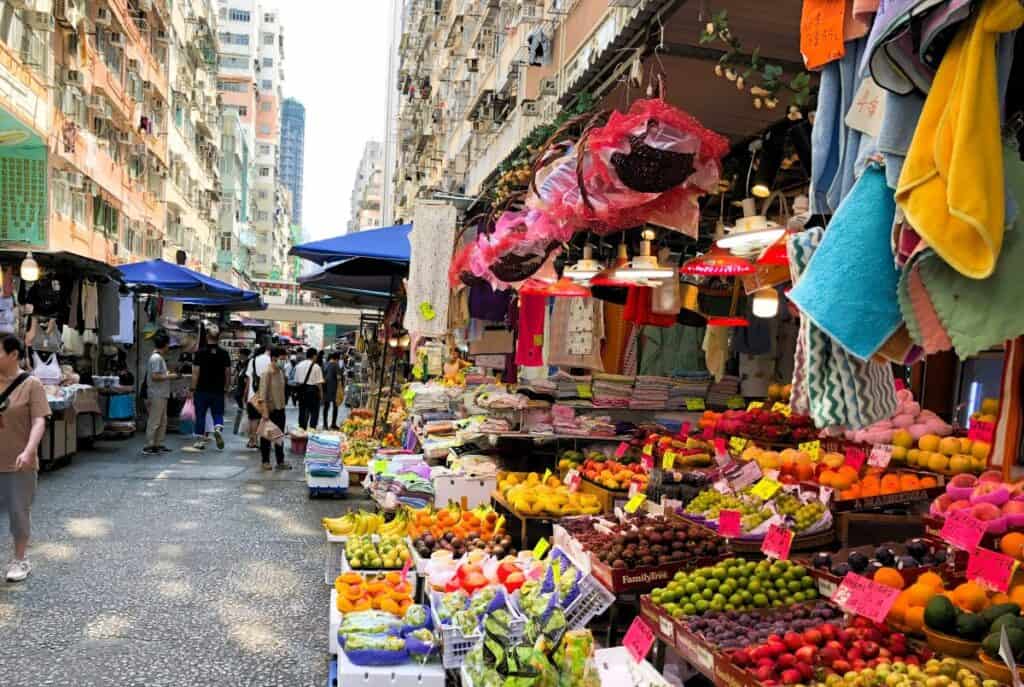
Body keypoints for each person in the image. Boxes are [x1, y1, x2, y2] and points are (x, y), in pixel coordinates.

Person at [0, 335, 50, 582]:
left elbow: (39, 420)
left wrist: (29, 450)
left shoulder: (31, 384)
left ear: (13, 355)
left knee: (19, 512)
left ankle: (20, 560)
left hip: (18, 462)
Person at [188, 324, 232, 451]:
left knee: (200, 415)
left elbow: (195, 373)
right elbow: (228, 372)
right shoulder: (224, 353)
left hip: (201, 390)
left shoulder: (200, 353)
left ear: (207, 336)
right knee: (218, 413)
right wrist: (226, 387)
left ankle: (200, 441)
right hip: (218, 390)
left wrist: (192, 389)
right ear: (219, 338)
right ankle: (217, 428)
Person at [256, 346, 290, 470]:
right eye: (282, 359)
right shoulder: (267, 373)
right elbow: (262, 394)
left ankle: (280, 461)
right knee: (266, 436)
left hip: (280, 408)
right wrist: (264, 412)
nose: (284, 361)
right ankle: (265, 461)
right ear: (274, 358)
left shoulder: (280, 372)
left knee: (279, 436)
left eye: (285, 359)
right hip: (269, 410)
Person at [143, 332, 177, 455]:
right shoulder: (156, 358)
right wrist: (170, 376)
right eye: (168, 344)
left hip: (161, 393)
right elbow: (155, 376)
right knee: (155, 420)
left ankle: (158, 444)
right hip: (156, 393)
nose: (169, 347)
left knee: (162, 420)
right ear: (165, 344)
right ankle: (149, 445)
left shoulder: (158, 357)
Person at [245, 344, 269, 449]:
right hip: (265, 395)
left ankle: (252, 441)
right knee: (265, 419)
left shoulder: (252, 361)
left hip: (252, 394)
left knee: (253, 419)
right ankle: (263, 441)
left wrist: (246, 394)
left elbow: (249, 379)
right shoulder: (269, 360)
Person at [294, 347, 324, 430]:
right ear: (314, 356)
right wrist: (321, 395)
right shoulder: (316, 366)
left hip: (302, 391)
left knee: (302, 411)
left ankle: (302, 430)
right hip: (313, 392)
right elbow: (319, 383)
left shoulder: (299, 365)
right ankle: (312, 430)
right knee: (314, 412)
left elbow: (297, 382)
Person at [323, 351, 342, 430]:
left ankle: (325, 424)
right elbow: (338, 377)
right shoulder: (336, 365)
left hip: (326, 388)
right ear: (337, 358)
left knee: (326, 407)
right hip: (334, 389)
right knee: (335, 406)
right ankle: (333, 423)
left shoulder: (326, 364)